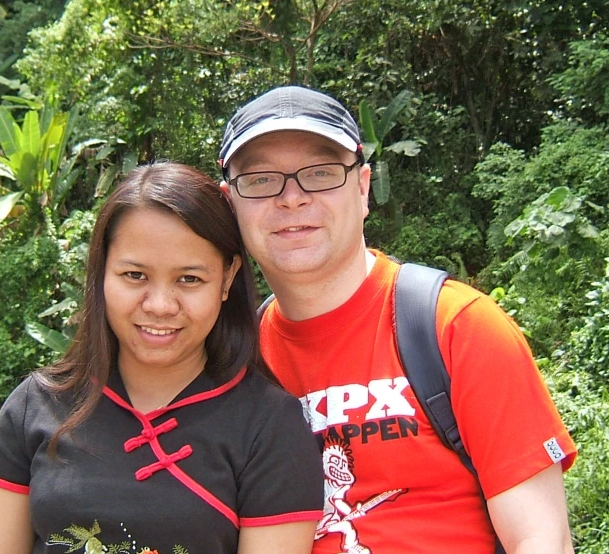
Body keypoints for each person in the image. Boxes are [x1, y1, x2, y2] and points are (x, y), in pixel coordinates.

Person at [218, 86, 577, 554]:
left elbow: (540, 538)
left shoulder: (457, 326)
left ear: (363, 187)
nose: (292, 198)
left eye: (321, 173)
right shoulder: (235, 357)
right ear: (230, 203)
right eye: (262, 180)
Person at [0, 162, 324, 554]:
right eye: (135, 275)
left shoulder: (269, 427)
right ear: (102, 271)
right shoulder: (36, 407)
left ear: (227, 278)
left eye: (189, 279)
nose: (160, 305)